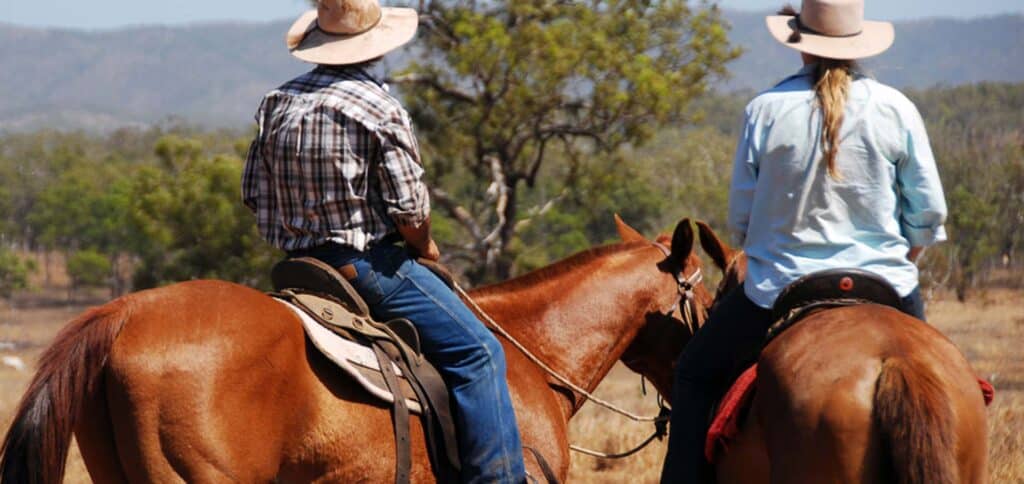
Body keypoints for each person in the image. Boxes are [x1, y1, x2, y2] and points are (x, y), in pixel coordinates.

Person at [660, 0, 948, 482]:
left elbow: (742, 222)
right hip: (887, 285)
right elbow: (930, 212)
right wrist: (905, 252)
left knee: (693, 373)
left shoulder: (765, 109)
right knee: (941, 373)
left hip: (779, 291)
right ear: (858, 44)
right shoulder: (898, 108)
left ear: (801, 46)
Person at [241, 1, 526, 482]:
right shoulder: (379, 106)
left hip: (300, 266)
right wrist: (424, 247)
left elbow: (253, 194)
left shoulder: (277, 102)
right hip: (365, 267)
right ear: (374, 46)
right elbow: (410, 211)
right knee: (478, 351)